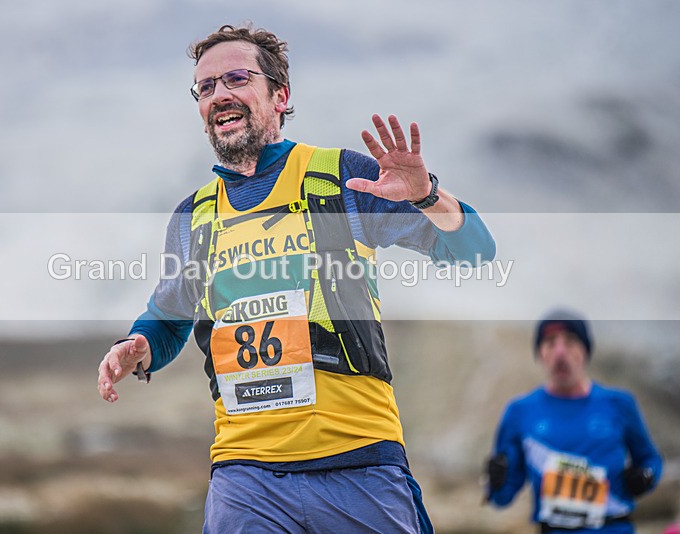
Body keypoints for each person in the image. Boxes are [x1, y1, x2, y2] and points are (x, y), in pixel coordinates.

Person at [97, 23, 495, 533]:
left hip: (359, 462)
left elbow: (475, 252)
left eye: (236, 78)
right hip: (245, 476)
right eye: (206, 86)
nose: (219, 95)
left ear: (280, 95)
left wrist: (427, 196)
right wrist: (138, 344)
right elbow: (169, 319)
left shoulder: (340, 179)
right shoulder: (193, 217)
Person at [486, 310, 663, 533]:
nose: (560, 352)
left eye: (570, 342)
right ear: (540, 353)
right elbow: (502, 498)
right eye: (550, 343)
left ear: (585, 350)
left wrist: (646, 476)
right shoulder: (519, 412)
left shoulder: (619, 403)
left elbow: (651, 459)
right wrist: (496, 481)